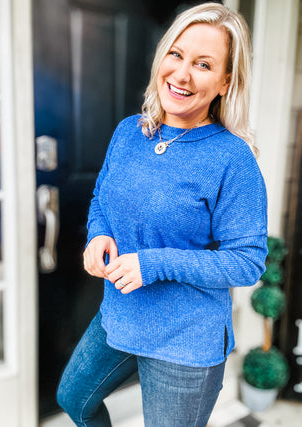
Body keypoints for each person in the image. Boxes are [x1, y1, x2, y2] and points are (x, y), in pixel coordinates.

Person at [57, 3, 268, 426]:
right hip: (120, 314)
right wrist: (98, 234)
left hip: (185, 341)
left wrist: (153, 264)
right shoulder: (129, 132)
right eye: (177, 54)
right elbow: (101, 197)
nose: (183, 74)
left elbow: (247, 262)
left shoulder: (232, 159)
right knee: (74, 398)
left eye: (203, 64)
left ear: (226, 81)